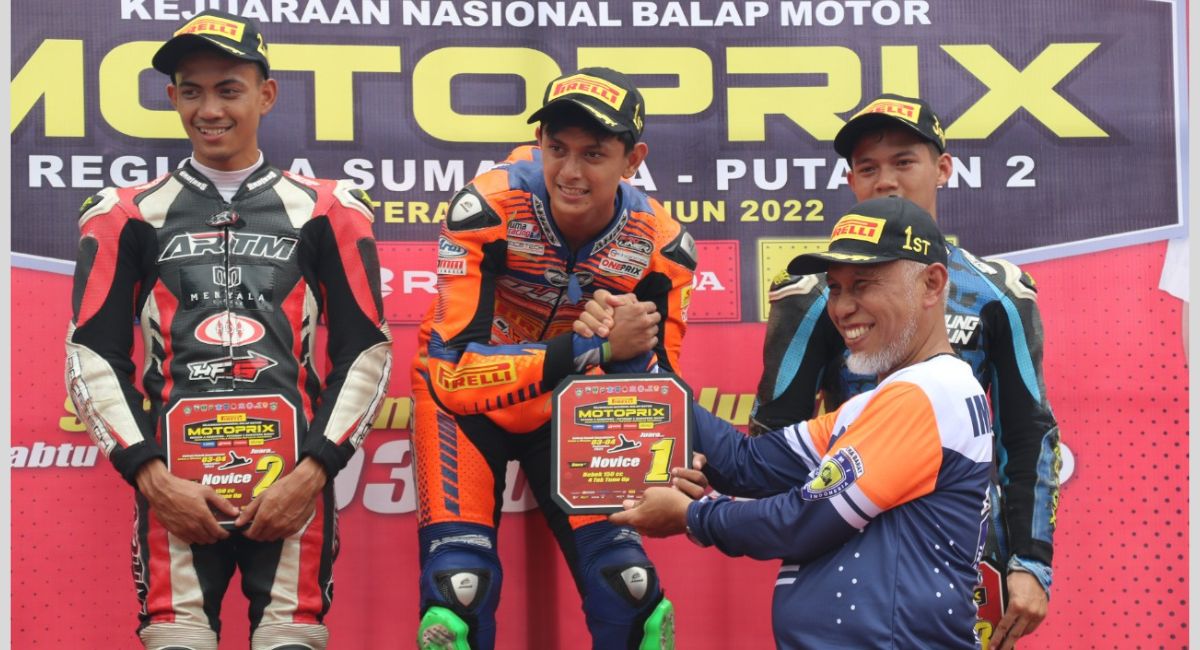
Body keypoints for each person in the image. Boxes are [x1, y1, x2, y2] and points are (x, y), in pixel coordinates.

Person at [64, 10, 392, 650]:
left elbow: (367, 352)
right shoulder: (125, 214)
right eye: (191, 91)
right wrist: (154, 480)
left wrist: (311, 475)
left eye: (228, 89)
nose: (209, 109)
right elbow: (92, 356)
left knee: (291, 639)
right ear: (172, 98)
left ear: (266, 95)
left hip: (292, 486)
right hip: (176, 488)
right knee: (177, 638)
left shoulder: (329, 209)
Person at [612, 196, 995, 649]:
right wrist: (636, 362)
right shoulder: (877, 405)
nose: (843, 308)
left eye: (863, 284)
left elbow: (804, 519)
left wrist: (691, 516)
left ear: (932, 284)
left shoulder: (929, 393)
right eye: (835, 288)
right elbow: (747, 465)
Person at [751, 94, 1061, 649]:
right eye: (868, 168)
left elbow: (1028, 433)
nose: (886, 181)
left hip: (962, 546)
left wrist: (1030, 561)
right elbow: (775, 433)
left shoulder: (998, 292)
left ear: (942, 168)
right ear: (851, 180)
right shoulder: (812, 295)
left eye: (903, 162)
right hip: (844, 544)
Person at [410, 67, 696, 649]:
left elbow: (658, 391)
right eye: (557, 148)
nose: (570, 171)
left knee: (629, 588)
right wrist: (591, 347)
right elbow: (453, 374)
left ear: (632, 160)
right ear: (538, 142)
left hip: (575, 410)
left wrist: (681, 453)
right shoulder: (486, 207)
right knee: (458, 587)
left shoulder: (662, 247)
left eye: (594, 154)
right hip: (464, 408)